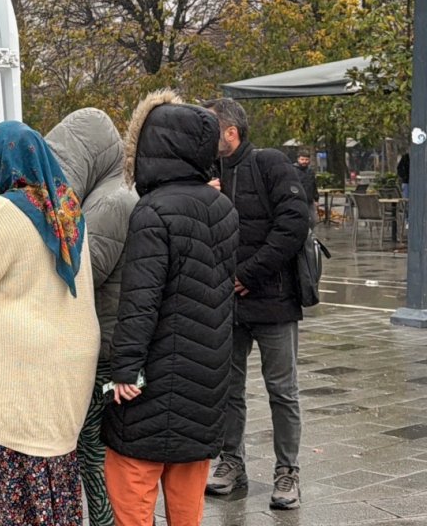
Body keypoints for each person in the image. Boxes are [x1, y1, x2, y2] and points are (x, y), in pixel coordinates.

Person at [0, 121, 98, 526]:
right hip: (68, 379)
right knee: (57, 487)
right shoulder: (68, 208)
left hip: (22, 383)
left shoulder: (3, 213)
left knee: (20, 499)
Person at [102, 89, 238, 526]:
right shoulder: (223, 208)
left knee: (131, 485)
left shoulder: (152, 212)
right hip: (207, 377)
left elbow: (140, 301)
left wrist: (125, 369)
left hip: (156, 378)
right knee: (187, 503)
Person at [203, 98, 310, 510]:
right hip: (227, 304)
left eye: (211, 129)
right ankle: (232, 461)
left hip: (274, 301)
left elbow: (294, 224)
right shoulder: (207, 174)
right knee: (228, 389)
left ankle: (288, 471)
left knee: (282, 390)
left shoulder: (271, 164)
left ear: (231, 131)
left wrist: (249, 273)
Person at [45, 108, 139, 526]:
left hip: (105, 346)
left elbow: (86, 270)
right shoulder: (110, 192)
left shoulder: (111, 201)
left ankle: (106, 521)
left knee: (93, 449)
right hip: (110, 339)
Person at [295, 149, 319, 224]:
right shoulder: (293, 170)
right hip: (297, 200)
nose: (304, 161)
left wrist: (316, 198)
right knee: (299, 220)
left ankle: (309, 235)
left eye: (306, 159)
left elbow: (313, 185)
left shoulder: (310, 171)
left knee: (313, 220)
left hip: (309, 201)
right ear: (298, 159)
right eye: (302, 159)